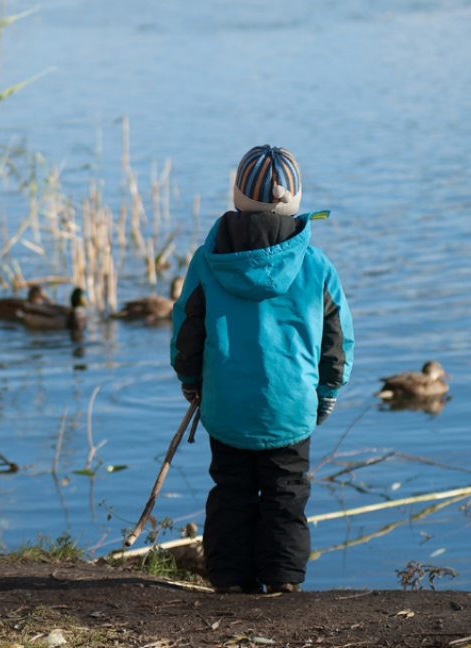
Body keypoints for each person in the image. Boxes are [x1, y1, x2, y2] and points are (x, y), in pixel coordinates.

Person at [170, 144, 354, 594]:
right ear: (295, 200)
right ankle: (284, 581)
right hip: (291, 407)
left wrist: (191, 381)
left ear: (237, 195)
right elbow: (338, 340)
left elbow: (186, 332)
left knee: (231, 492)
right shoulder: (316, 266)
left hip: (227, 404)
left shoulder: (208, 260)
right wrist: (328, 390)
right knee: (286, 494)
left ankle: (231, 582)